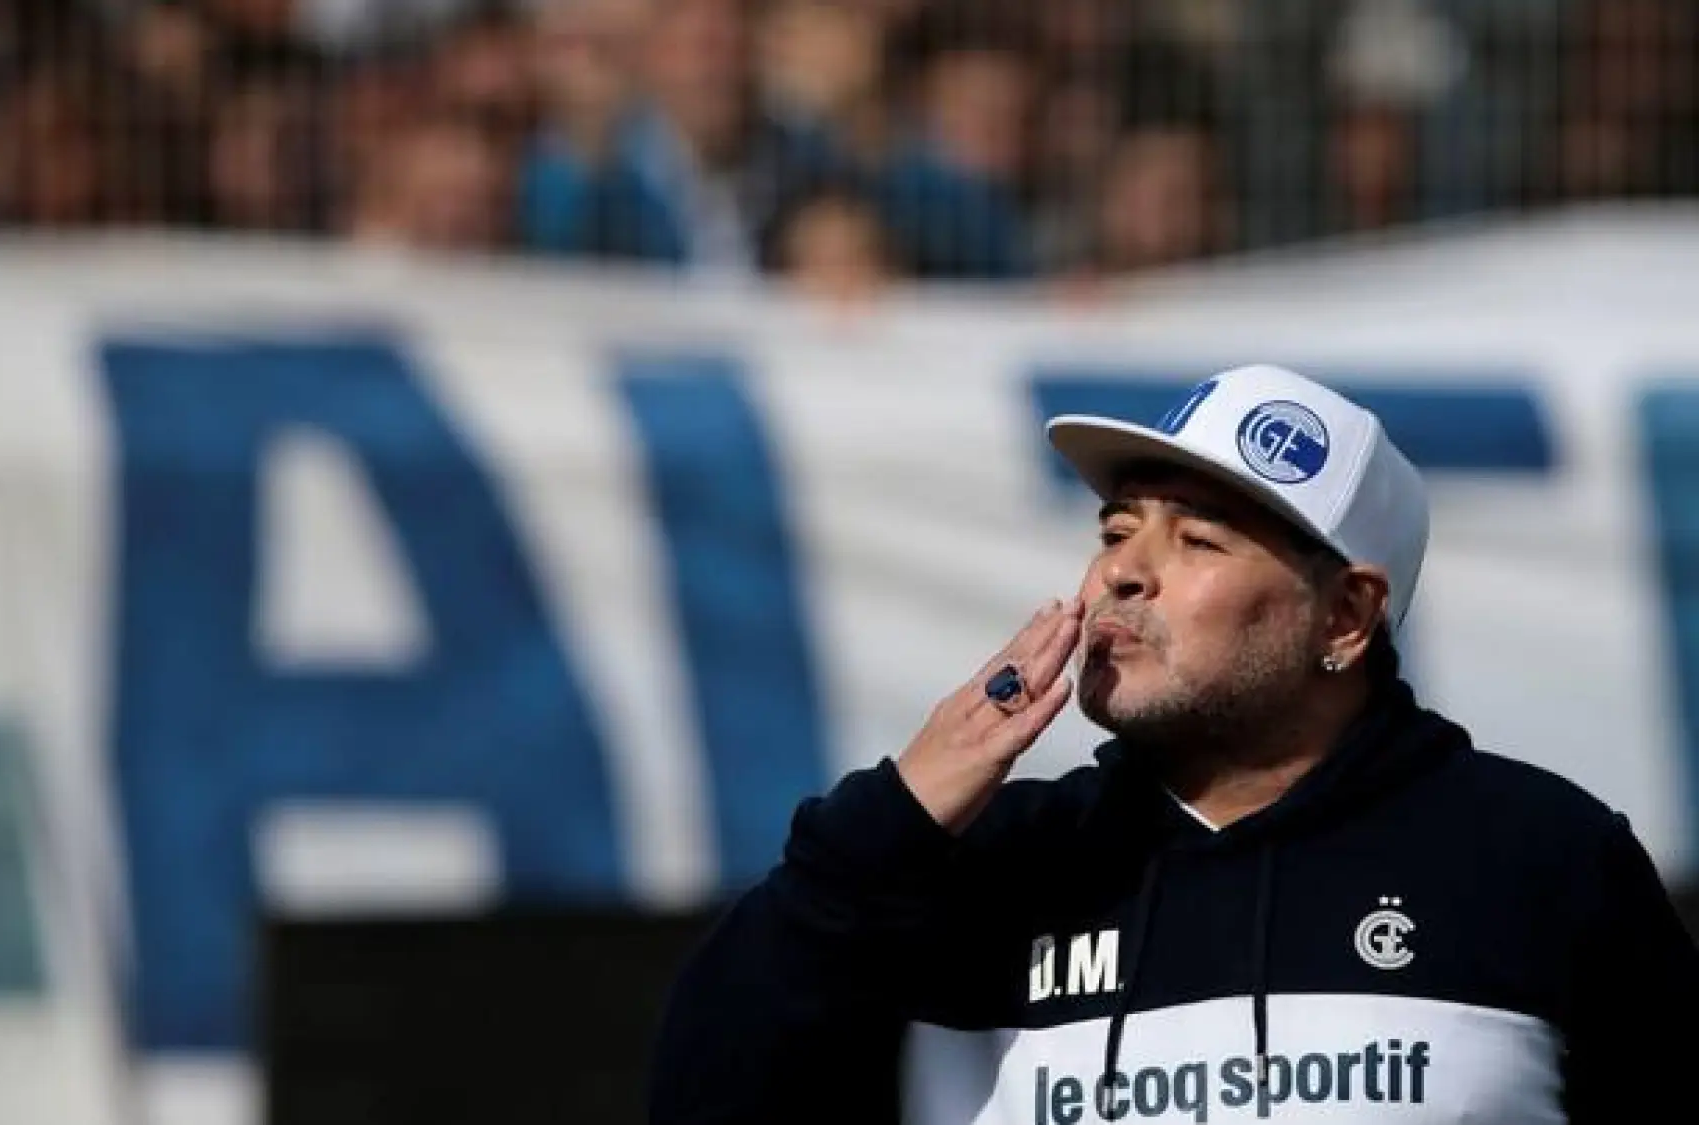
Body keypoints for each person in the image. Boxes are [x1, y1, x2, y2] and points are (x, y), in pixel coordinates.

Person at [647, 364, 1699, 1124]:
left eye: (1194, 538)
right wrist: (881, 831)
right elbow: (706, 1096)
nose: (1119, 574)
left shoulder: (1534, 855)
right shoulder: (972, 868)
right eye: (1114, 531)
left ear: (1342, 617)